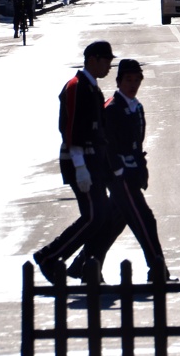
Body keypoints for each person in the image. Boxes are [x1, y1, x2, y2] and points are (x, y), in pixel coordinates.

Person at [67, 59, 173, 282]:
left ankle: (84, 265)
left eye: (136, 80)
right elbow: (107, 145)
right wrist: (117, 171)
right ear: (119, 82)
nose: (132, 84)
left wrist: (141, 171)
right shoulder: (112, 109)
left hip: (131, 175)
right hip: (119, 176)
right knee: (145, 219)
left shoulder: (136, 107)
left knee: (112, 224)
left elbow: (138, 143)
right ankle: (157, 270)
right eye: (128, 80)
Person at [33, 41, 117, 284]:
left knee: (100, 217)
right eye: (106, 60)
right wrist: (80, 167)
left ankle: (87, 267)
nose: (109, 66)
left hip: (94, 163)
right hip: (79, 162)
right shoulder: (75, 86)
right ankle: (50, 256)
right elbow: (70, 131)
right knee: (93, 216)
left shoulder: (92, 88)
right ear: (92, 59)